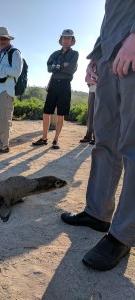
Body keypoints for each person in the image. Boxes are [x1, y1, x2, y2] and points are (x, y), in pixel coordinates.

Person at [61, 0, 135, 271]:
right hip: (109, 58)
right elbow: (112, 16)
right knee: (105, 142)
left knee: (133, 145)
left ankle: (123, 234)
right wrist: (96, 54)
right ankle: (98, 213)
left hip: (132, 49)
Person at [32, 29, 79, 149]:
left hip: (65, 84)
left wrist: (57, 66)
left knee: (61, 114)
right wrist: (63, 65)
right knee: (46, 112)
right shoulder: (55, 54)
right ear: (61, 39)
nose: (66, 40)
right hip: (53, 83)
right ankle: (44, 138)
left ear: (72, 40)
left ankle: (56, 140)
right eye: (64, 37)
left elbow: (71, 69)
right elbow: (49, 68)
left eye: (69, 38)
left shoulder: (75, 54)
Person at [0, 27, 23, 153]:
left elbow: (16, 71)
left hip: (6, 90)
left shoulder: (15, 53)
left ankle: (4, 146)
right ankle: (1, 142)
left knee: (4, 118)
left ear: (8, 39)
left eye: (4, 38)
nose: (1, 41)